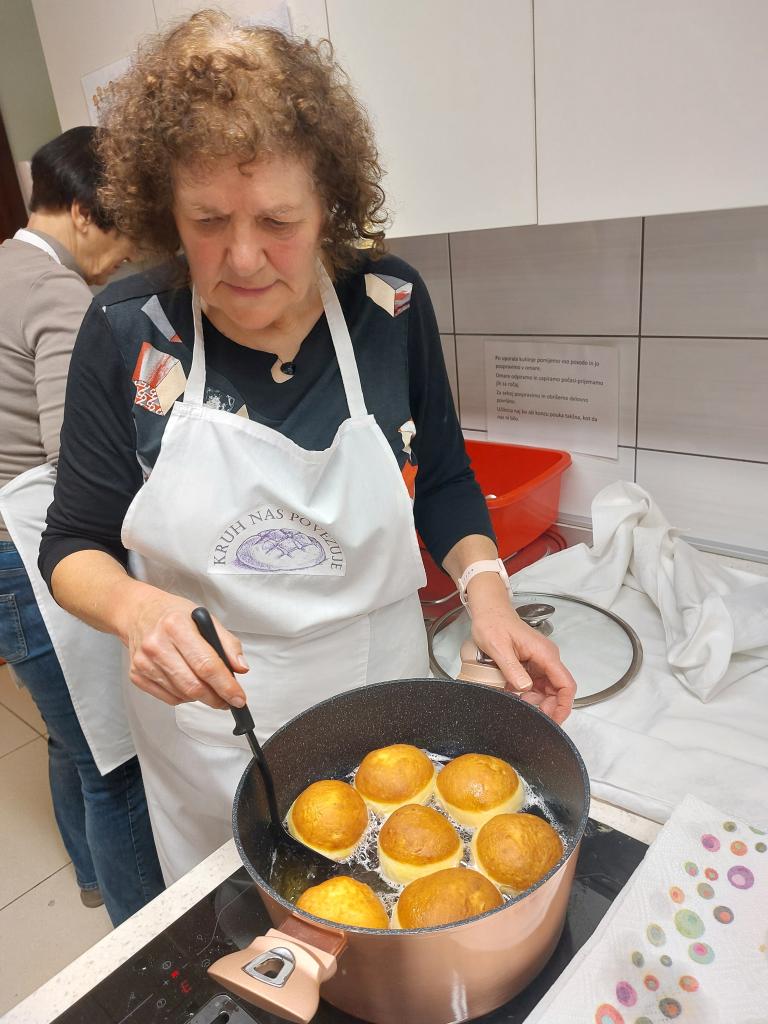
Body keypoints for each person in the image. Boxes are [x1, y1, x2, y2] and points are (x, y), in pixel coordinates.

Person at [39, 12, 577, 883]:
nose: (244, 257)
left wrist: (490, 599)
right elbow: (72, 543)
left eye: (278, 220)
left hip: (383, 703)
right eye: (208, 220)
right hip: (213, 733)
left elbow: (444, 479)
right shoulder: (129, 330)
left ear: (330, 206)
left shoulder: (389, 304)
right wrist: (137, 612)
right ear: (167, 213)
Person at [0, 127, 165, 924]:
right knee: (116, 763)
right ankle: (148, 945)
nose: (128, 253)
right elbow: (79, 464)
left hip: (5, 561)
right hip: (33, 558)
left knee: (71, 739)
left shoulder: (4, 265)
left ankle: (92, 878)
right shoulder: (59, 295)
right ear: (82, 211)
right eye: (124, 228)